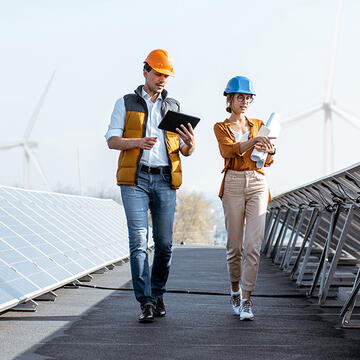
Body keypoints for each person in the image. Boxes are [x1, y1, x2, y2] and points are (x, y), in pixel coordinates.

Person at [105, 49, 195, 323]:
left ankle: (157, 294)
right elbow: (111, 140)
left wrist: (190, 144)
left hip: (166, 179)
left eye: (166, 75)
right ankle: (144, 301)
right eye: (158, 73)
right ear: (145, 71)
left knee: (165, 245)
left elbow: (184, 150)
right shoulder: (126, 102)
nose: (162, 79)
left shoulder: (174, 107)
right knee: (139, 242)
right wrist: (137, 143)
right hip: (136, 179)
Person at [213, 76, 275, 321]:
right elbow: (227, 151)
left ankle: (247, 299)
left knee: (253, 245)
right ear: (230, 99)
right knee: (235, 246)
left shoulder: (259, 124)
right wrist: (253, 141)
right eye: (240, 97)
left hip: (258, 181)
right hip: (233, 183)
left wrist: (269, 151)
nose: (245, 101)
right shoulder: (221, 127)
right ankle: (235, 289)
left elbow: (268, 160)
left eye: (248, 97)